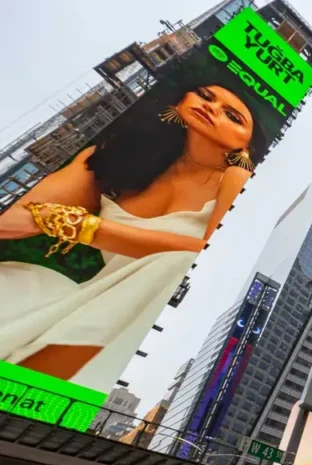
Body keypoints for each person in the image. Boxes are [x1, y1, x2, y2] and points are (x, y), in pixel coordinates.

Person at [0, 77, 267, 389]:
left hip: (116, 318)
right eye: (205, 96)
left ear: (245, 147)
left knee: (174, 257)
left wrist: (82, 226)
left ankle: (40, 382)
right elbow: (16, 217)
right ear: (180, 102)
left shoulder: (233, 180)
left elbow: (198, 250)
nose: (211, 107)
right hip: (54, 294)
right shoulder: (122, 157)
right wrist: (49, 215)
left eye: (232, 116)